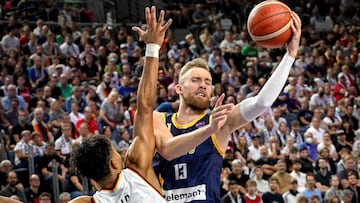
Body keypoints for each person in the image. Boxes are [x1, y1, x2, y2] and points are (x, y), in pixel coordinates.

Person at [155, 11, 301, 202]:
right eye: (196, 80)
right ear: (179, 89)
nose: (203, 85)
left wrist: (290, 56)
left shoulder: (220, 121)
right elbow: (164, 150)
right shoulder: (159, 120)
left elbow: (262, 102)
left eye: (208, 82)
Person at [69, 6, 185, 203]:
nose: (122, 152)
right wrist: (152, 47)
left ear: (91, 180)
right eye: (117, 152)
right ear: (115, 164)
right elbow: (145, 106)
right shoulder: (136, 167)